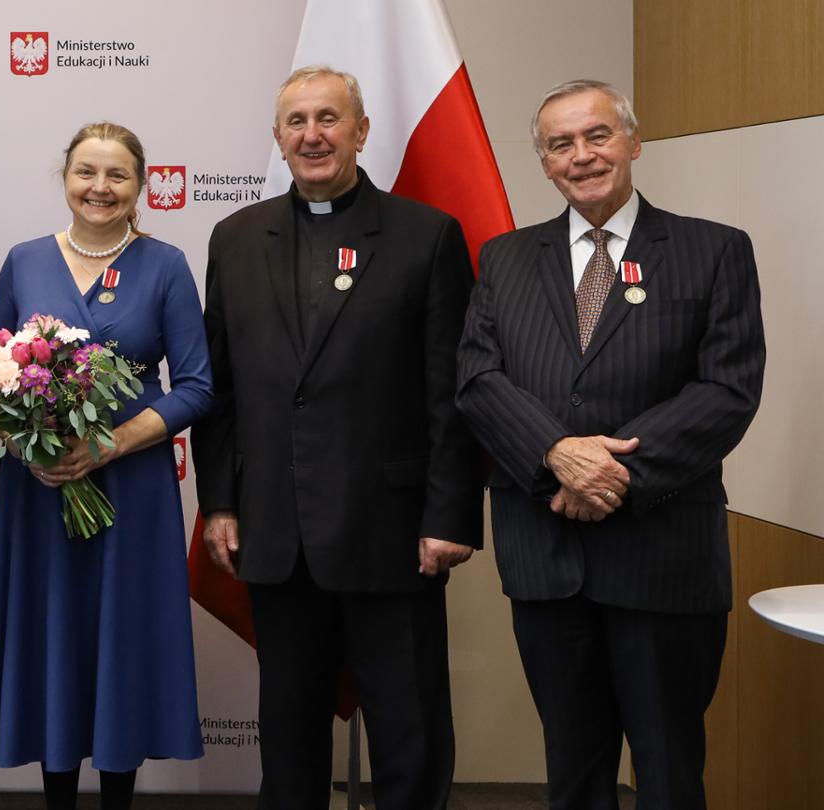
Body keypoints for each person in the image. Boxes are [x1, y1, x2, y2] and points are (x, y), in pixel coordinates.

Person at [456, 79, 764, 810]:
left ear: (632, 141)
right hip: (547, 553)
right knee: (573, 768)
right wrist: (557, 454)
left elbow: (727, 390)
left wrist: (609, 471)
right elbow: (477, 379)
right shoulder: (504, 259)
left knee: (667, 769)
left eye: (597, 135)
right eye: (561, 144)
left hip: (662, 555)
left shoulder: (713, 250)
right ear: (544, 163)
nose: (582, 155)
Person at [191, 65, 485, 809]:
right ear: (277, 138)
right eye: (296, 121)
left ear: (360, 130)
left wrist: (449, 517)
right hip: (276, 530)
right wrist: (220, 504)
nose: (312, 134)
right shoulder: (233, 238)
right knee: (287, 738)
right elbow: (219, 391)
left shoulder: (427, 236)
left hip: (392, 532)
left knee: (408, 731)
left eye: (329, 119)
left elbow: (452, 393)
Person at [0, 122, 212, 809]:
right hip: (39, 488)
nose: (99, 188)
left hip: (130, 488)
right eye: (86, 172)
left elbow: (196, 384)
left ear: (140, 186)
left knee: (117, 643)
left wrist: (107, 445)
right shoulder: (23, 261)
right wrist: (28, 447)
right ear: (65, 177)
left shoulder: (164, 265)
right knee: (55, 641)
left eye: (117, 176)